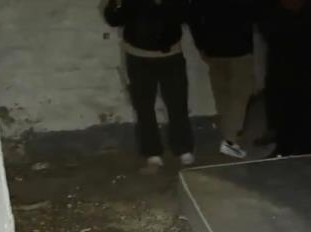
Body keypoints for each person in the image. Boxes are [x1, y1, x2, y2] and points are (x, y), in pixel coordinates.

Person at [103, 0, 195, 172]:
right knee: (143, 105)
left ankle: (183, 148)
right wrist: (114, 3)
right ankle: (152, 152)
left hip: (171, 56)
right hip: (138, 58)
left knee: (178, 103)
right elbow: (114, 19)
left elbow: (187, 15)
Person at [258, 0, 311, 157]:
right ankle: (291, 144)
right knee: (285, 84)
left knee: (297, 84)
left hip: (306, 20)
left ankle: (294, 145)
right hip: (289, 20)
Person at [188, 0, 259, 159]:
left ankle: (230, 136)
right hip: (240, 49)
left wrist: (202, 46)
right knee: (239, 96)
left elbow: (193, 17)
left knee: (223, 96)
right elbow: (256, 12)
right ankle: (230, 139)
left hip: (214, 49)